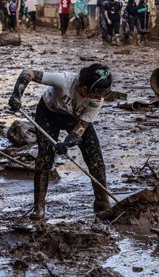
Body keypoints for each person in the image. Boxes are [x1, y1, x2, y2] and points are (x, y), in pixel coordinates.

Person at [8, 63, 113, 220]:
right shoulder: (63, 80)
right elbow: (28, 72)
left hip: (75, 118)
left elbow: (81, 127)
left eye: (102, 94)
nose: (99, 98)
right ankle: (39, 208)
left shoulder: (97, 101)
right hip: (49, 113)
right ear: (83, 87)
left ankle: (102, 204)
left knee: (95, 158)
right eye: (96, 93)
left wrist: (67, 144)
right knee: (45, 158)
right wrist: (17, 95)